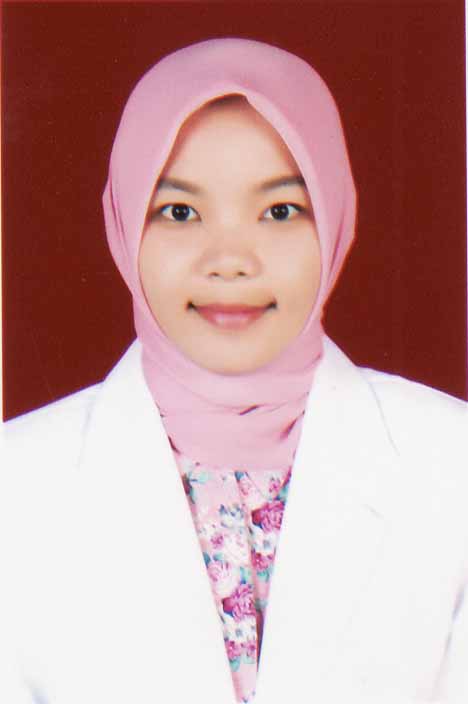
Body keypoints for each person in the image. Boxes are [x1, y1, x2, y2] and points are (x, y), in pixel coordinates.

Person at [1, 36, 467, 704]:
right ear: (125, 224)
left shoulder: (451, 461)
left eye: (279, 211)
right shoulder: (15, 483)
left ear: (335, 218)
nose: (229, 260)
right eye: (180, 212)